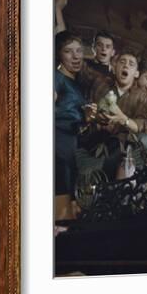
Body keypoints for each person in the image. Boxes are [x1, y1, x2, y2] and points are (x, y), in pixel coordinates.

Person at [76, 48, 147, 181]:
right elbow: (80, 67)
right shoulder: (100, 83)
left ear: (136, 73)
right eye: (122, 62)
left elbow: (142, 126)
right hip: (94, 146)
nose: (126, 65)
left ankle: (117, 177)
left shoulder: (141, 96)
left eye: (131, 64)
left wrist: (123, 119)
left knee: (144, 139)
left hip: (121, 150)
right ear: (114, 67)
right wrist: (90, 117)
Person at [54, 31, 91, 219]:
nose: (76, 56)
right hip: (57, 141)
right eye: (69, 51)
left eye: (79, 50)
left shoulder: (76, 83)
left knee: (69, 195)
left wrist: (87, 117)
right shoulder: (55, 78)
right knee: (61, 189)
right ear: (59, 54)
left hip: (71, 142)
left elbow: (73, 115)